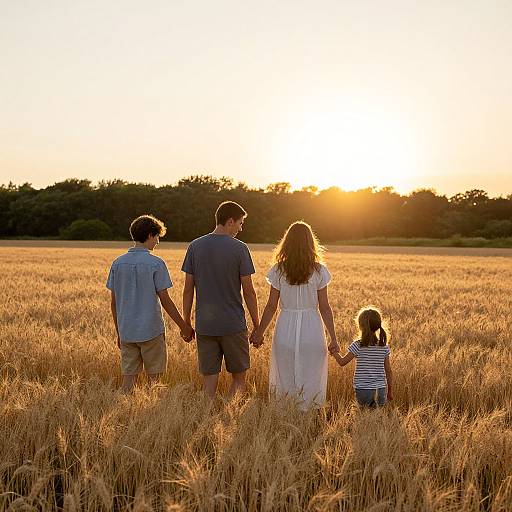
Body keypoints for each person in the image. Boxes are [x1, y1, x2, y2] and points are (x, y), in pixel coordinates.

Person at [250, 221, 338, 409]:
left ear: (287, 242)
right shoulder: (320, 271)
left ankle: (285, 418)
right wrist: (333, 338)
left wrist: (259, 332)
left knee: (285, 378)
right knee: (312, 378)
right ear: (310, 242)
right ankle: (309, 420)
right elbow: (325, 307)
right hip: (312, 329)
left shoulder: (278, 270)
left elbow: (271, 305)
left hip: (285, 328)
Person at [106, 214, 194, 393]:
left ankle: (124, 413)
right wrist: (183, 326)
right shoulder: (156, 263)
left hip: (127, 331)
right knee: (155, 381)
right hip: (151, 331)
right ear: (150, 235)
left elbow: (114, 303)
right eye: (157, 237)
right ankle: (154, 417)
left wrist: (119, 332)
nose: (158, 242)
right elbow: (166, 300)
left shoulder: (117, 263)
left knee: (128, 381)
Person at [182, 201, 259, 398]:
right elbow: (249, 292)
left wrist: (186, 323)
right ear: (230, 221)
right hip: (233, 324)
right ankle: (229, 418)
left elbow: (188, 290)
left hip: (205, 325)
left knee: (209, 381)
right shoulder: (240, 249)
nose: (241, 229)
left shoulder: (195, 246)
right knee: (239, 379)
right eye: (240, 223)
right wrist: (257, 325)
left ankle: (206, 421)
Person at [332, 307, 393, 407]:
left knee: (363, 416)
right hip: (380, 389)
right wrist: (389, 391)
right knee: (377, 418)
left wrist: (334, 352)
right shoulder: (384, 346)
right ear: (378, 325)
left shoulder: (358, 345)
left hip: (363, 390)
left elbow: (342, 362)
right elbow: (389, 371)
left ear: (360, 326)